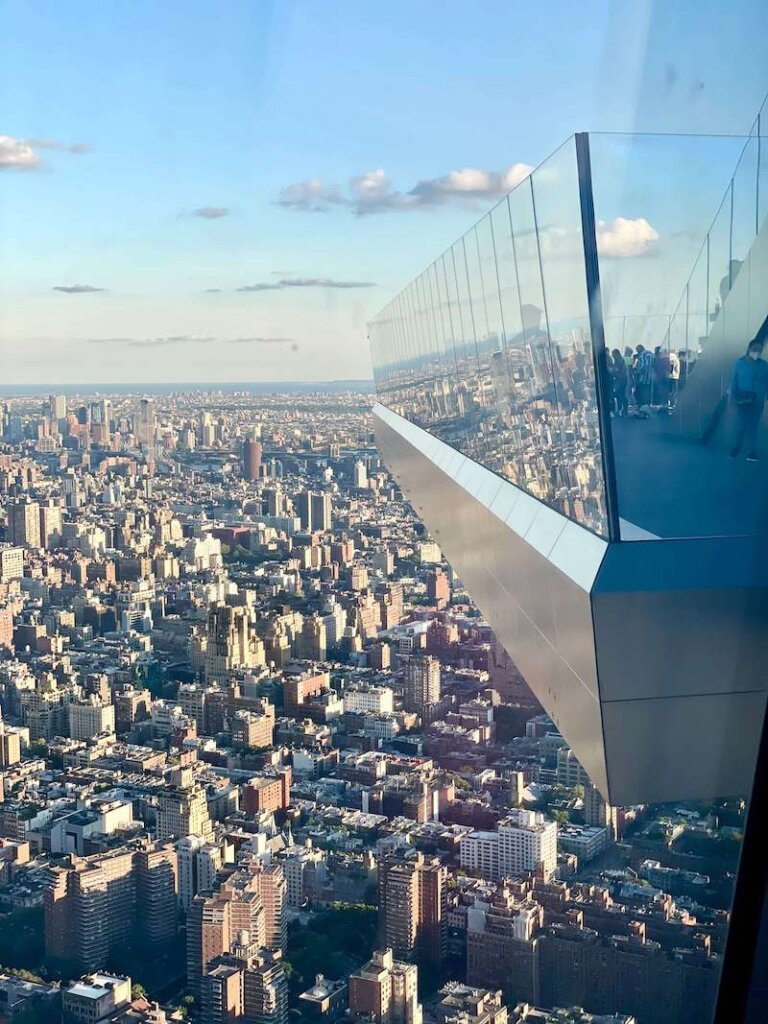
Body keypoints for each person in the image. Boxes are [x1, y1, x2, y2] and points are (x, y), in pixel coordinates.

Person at [730, 337, 768, 461]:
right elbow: (734, 381)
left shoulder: (764, 365)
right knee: (741, 425)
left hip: (758, 400)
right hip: (743, 399)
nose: (757, 352)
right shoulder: (739, 363)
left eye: (759, 350)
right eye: (755, 349)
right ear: (749, 349)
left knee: (753, 426)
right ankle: (736, 447)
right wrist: (733, 397)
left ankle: (751, 451)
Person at [632, 344, 654, 418]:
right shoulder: (651, 354)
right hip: (650, 378)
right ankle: (645, 411)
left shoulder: (642, 355)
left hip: (642, 379)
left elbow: (643, 366)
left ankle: (641, 410)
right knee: (646, 394)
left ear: (639, 350)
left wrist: (636, 370)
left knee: (639, 393)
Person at [610, 348, 628, 416]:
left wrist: (612, 371)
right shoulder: (621, 360)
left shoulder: (619, 361)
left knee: (620, 396)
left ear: (616, 354)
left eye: (613, 355)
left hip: (620, 381)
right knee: (621, 395)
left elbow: (617, 371)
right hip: (622, 380)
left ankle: (622, 410)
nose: (612, 356)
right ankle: (623, 410)